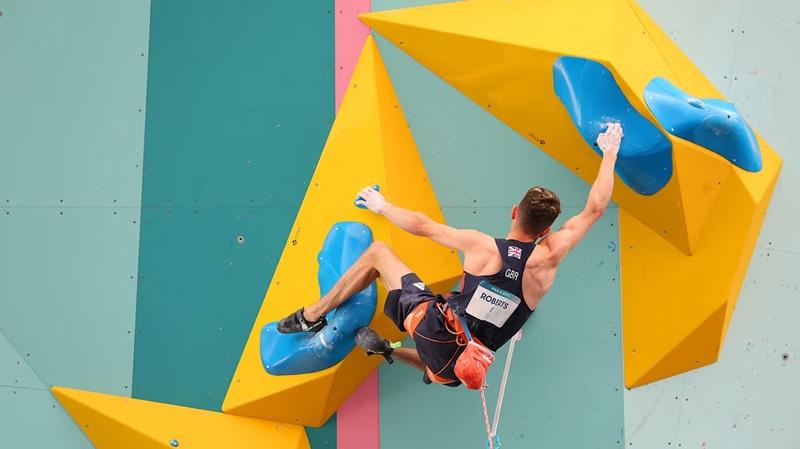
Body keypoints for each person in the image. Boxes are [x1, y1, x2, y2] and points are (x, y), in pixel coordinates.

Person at [278, 123, 623, 387]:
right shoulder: (550, 257)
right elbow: (595, 208)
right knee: (441, 367)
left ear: (514, 212)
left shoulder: (483, 246)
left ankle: (312, 315)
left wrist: (381, 205)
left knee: (379, 254)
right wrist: (610, 154)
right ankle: (388, 351)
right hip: (458, 370)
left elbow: (423, 226)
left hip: (430, 329)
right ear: (547, 231)